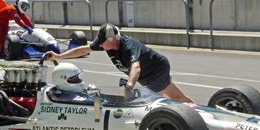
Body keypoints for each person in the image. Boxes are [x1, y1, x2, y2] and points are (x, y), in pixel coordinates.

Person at [46, 23, 193, 103]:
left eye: (103, 43)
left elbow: (136, 67)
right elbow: (83, 50)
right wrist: (58, 56)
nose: (100, 46)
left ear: (112, 40)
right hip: (148, 77)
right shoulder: (107, 45)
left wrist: (129, 86)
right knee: (178, 98)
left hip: (156, 72)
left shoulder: (129, 46)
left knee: (152, 106)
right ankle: (201, 111)